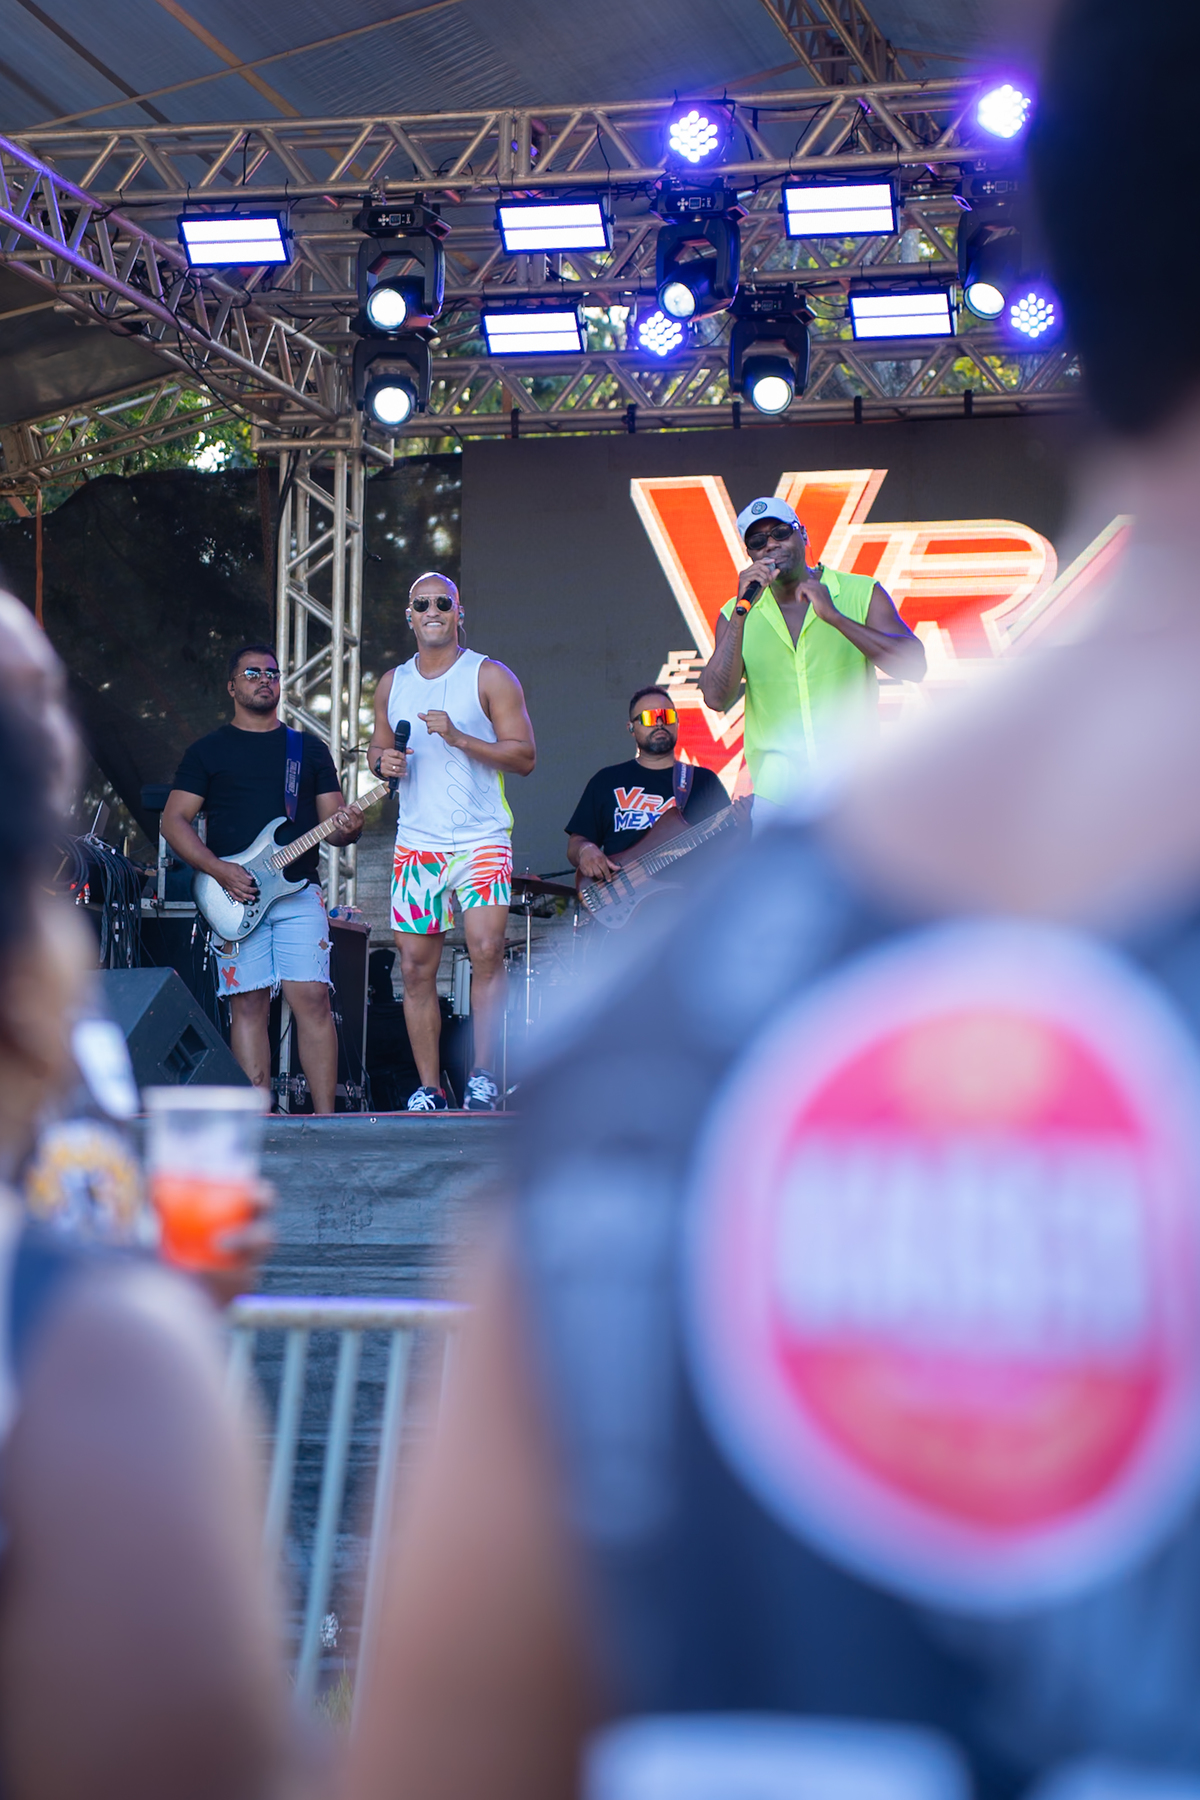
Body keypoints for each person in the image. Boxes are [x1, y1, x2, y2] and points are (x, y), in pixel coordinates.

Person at [347, 6, 1200, 1800]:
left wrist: (833, 600)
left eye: (779, 546)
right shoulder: (742, 649)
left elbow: (906, 664)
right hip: (807, 826)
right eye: (763, 550)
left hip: (853, 832)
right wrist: (749, 609)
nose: (772, 560)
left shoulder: (643, 1040)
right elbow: (723, 695)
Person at [0, 649, 295, 1800]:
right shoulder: (99, 1352)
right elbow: (191, 1743)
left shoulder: (82, 1032)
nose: (53, 732)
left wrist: (168, 1288)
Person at [162, 644, 363, 1114]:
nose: (264, 679)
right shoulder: (207, 751)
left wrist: (351, 827)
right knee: (247, 1005)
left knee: (312, 998)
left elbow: (336, 827)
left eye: (272, 673)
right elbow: (174, 821)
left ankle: (327, 1125)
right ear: (232, 686)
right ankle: (258, 1122)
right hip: (233, 895)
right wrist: (218, 869)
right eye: (252, 673)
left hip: (298, 892)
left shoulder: (307, 749)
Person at [367, 573, 535, 1113]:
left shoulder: (488, 674)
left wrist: (459, 737)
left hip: (481, 839)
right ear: (409, 616)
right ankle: (430, 1087)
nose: (433, 610)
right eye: (423, 604)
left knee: (486, 951)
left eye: (444, 602)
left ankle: (483, 1077)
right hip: (418, 843)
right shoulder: (392, 683)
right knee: (415, 969)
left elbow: (524, 756)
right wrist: (383, 763)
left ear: (459, 612)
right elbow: (376, 749)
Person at [699, 496, 925, 816]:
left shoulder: (860, 591)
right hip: (779, 801)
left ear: (802, 534)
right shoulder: (736, 613)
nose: (770, 544)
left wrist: (835, 617)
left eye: (780, 532)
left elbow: (915, 666)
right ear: (749, 554)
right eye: (758, 541)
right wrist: (740, 614)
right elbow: (715, 698)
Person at [565, 685, 729, 885]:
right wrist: (585, 850)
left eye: (667, 716)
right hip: (622, 896)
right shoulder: (606, 780)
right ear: (631, 728)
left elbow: (730, 845)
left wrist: (745, 823)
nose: (659, 723)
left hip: (687, 896)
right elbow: (576, 843)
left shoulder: (703, 781)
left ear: (677, 722)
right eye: (649, 718)